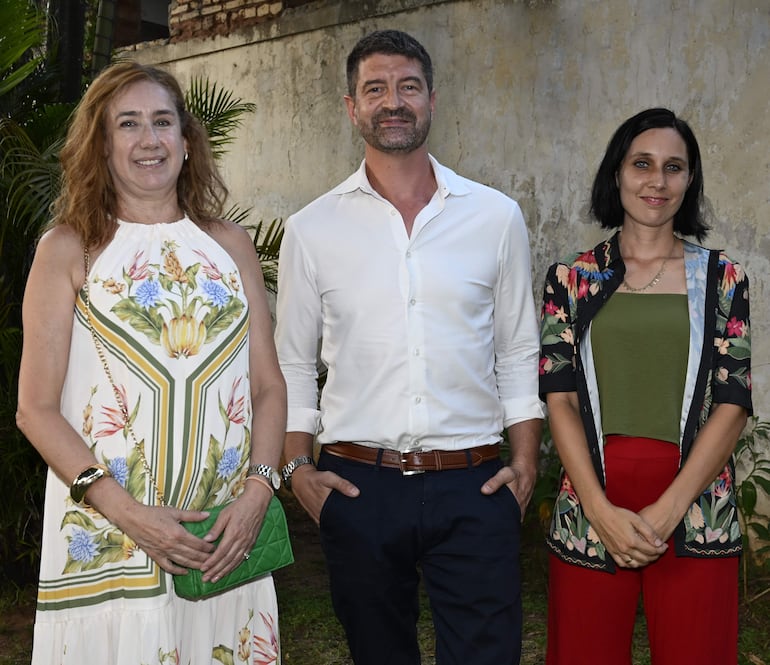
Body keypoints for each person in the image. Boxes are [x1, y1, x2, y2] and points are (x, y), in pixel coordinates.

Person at [274, 29, 543, 665]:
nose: (393, 101)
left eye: (408, 87)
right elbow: (292, 360)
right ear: (351, 107)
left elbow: (517, 348)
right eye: (376, 89)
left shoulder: (495, 217)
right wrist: (297, 470)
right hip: (358, 486)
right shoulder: (311, 230)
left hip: (475, 485)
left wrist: (526, 463)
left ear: (432, 99)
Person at [16, 62, 287, 664]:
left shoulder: (230, 245)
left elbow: (269, 386)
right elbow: (34, 410)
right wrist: (132, 516)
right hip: (112, 537)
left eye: (163, 121)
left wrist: (257, 495)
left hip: (224, 537)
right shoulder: (68, 249)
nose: (149, 139)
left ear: (187, 141)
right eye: (128, 124)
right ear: (102, 145)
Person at [539, 108, 752, 665]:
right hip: (591, 498)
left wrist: (669, 510)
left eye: (674, 167)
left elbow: (732, 403)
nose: (657, 181)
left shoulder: (724, 279)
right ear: (617, 173)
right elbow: (557, 396)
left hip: (696, 502)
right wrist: (600, 509)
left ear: (690, 180)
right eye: (642, 163)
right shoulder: (572, 278)